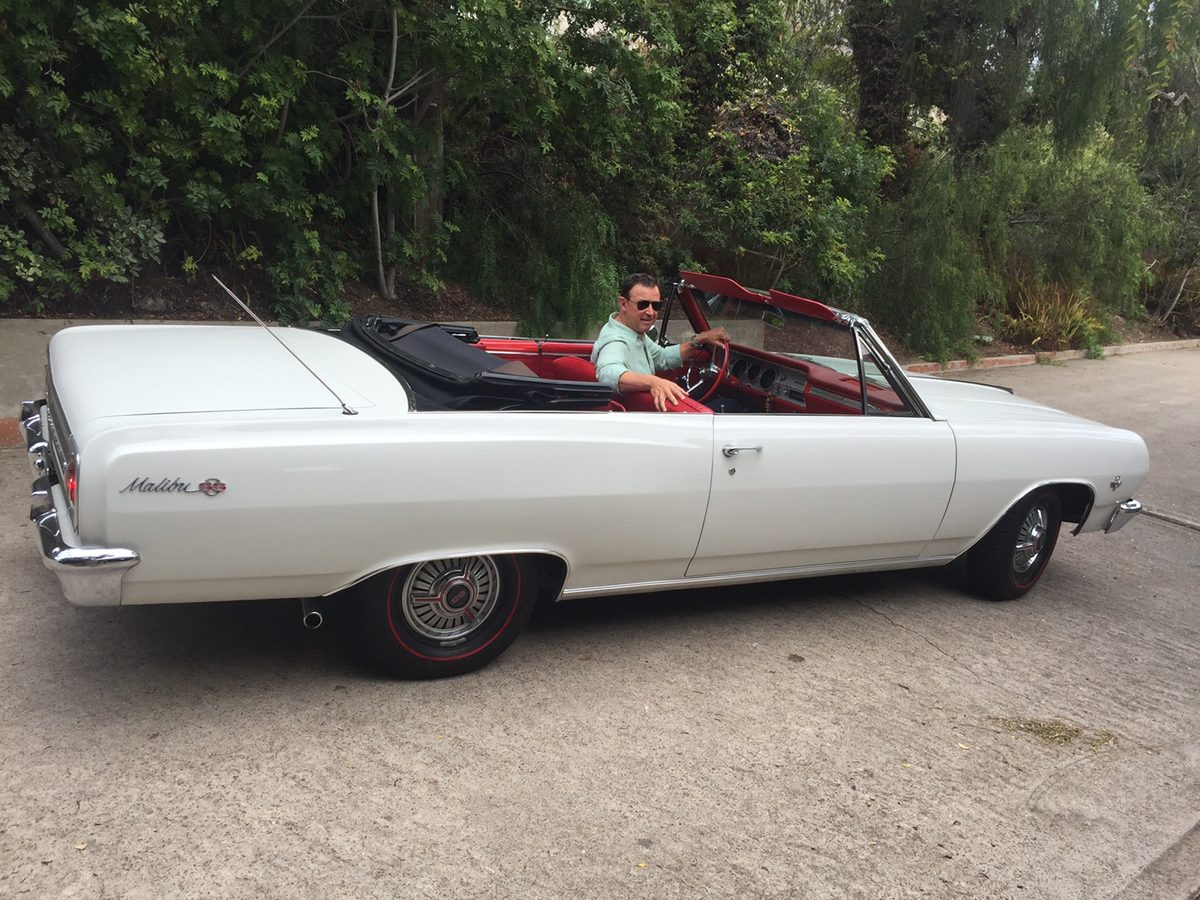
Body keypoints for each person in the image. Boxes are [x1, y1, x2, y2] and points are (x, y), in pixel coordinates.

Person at [591, 274, 731, 411]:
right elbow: (608, 375)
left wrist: (700, 339)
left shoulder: (632, 331)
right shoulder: (616, 341)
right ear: (623, 304)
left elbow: (662, 357)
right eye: (643, 304)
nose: (651, 312)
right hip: (641, 416)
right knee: (732, 404)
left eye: (656, 305)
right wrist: (654, 382)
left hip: (646, 409)